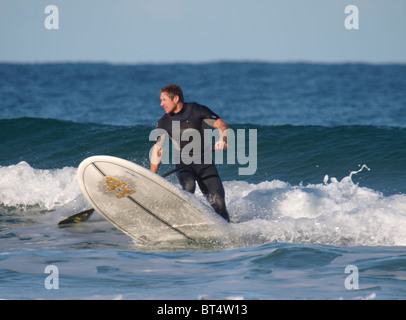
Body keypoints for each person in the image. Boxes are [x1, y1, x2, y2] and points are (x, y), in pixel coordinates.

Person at [150, 84, 230, 222]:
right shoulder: (164, 122)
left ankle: (228, 230)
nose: (161, 104)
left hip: (204, 162)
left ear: (175, 99)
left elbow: (222, 125)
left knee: (219, 204)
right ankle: (181, 220)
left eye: (164, 100)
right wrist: (151, 175)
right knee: (189, 186)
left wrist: (222, 139)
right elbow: (158, 150)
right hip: (183, 163)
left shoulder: (197, 110)